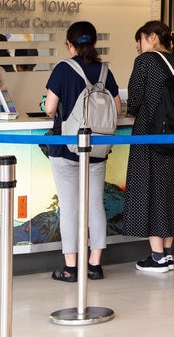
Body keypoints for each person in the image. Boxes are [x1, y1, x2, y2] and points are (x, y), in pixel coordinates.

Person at [43, 21, 121, 282]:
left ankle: (71, 267)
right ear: (95, 43)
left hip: (67, 149)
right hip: (97, 149)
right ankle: (95, 264)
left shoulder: (63, 69)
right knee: (95, 205)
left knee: (69, 208)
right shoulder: (105, 71)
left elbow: (50, 109)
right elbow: (118, 110)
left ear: (69, 44)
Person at [125, 20, 174, 272]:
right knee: (172, 189)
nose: (138, 47)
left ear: (152, 37)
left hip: (149, 134)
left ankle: (156, 255)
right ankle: (168, 253)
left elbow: (135, 99)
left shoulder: (145, 61)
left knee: (149, 186)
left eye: (140, 40)